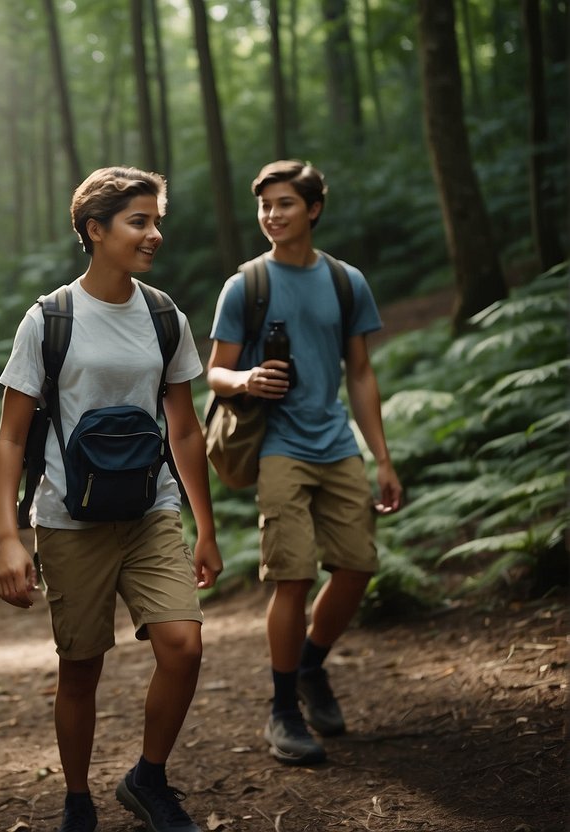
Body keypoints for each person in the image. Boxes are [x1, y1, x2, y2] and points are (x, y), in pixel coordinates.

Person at [0, 166, 222, 832]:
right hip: (69, 517)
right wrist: (9, 535)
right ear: (95, 230)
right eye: (137, 221)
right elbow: (10, 439)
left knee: (181, 645)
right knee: (81, 668)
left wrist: (204, 526)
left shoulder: (162, 314)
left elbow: (182, 427)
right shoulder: (49, 320)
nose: (153, 234)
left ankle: (147, 778)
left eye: (156, 221)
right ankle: (75, 798)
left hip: (150, 509)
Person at [206, 160, 403, 766]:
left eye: (285, 204)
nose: (272, 215)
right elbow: (213, 370)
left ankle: (311, 664)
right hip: (278, 447)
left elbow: (361, 373)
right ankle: (284, 709)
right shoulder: (246, 285)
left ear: (312, 210)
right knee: (292, 576)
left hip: (337, 442)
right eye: (265, 205)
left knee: (356, 566)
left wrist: (382, 457)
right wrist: (246, 379)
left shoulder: (346, 282)